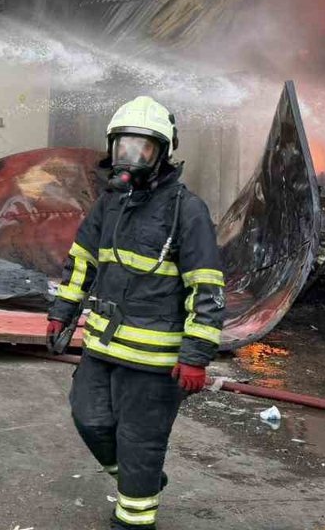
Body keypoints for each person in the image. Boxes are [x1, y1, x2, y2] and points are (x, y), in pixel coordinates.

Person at [45, 96, 224, 530]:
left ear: (162, 153)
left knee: (139, 442)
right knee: (88, 418)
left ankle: (134, 519)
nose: (131, 157)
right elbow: (83, 261)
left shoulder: (187, 210)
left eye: (143, 148)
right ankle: (140, 480)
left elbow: (206, 288)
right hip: (103, 345)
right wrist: (62, 311)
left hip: (154, 361)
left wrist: (195, 356)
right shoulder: (110, 203)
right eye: (124, 146)